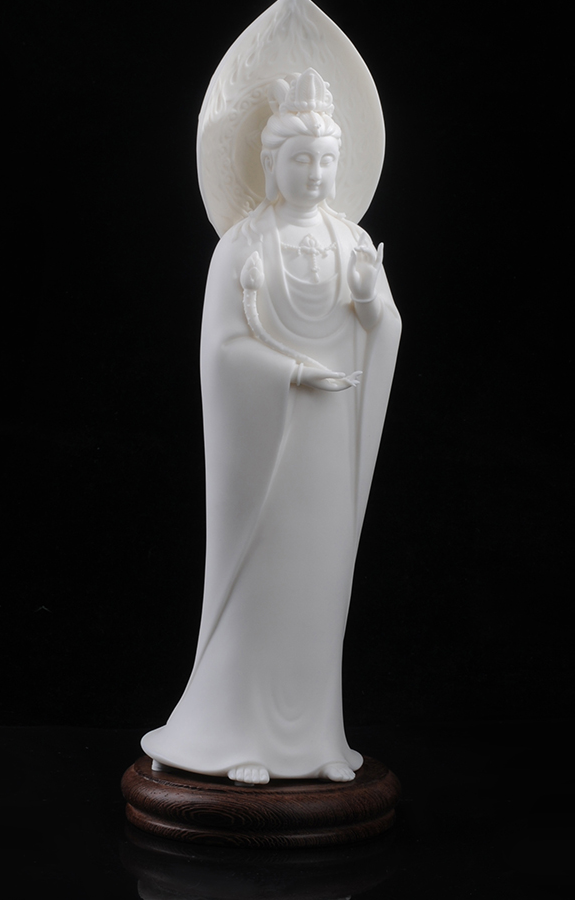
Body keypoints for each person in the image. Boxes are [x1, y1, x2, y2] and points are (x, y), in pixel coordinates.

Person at [142, 69, 401, 783]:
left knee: (320, 585)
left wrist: (370, 304)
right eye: (300, 158)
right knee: (264, 585)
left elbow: (383, 329)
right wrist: (293, 373)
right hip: (267, 446)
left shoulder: (352, 241)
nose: (315, 173)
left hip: (329, 442)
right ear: (269, 162)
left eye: (326, 159)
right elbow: (222, 349)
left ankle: (317, 740)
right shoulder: (240, 246)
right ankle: (236, 736)